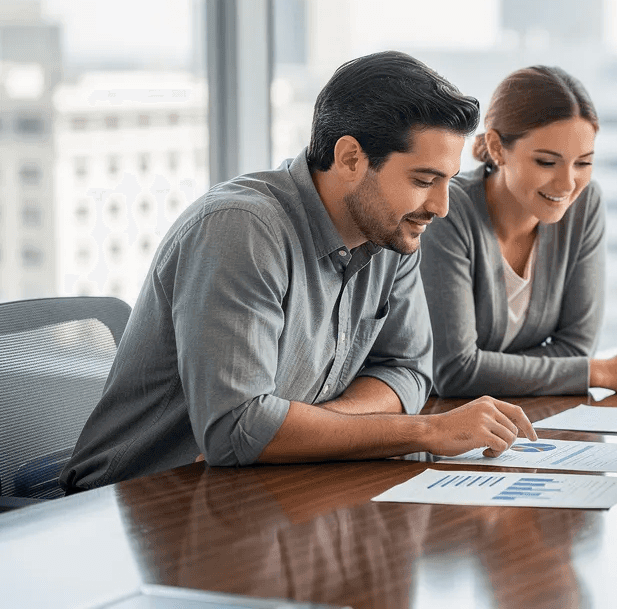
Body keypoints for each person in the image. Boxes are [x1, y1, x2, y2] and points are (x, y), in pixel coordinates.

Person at [63, 51, 537, 490]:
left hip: (254, 488)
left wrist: (301, 426)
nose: (440, 206)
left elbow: (408, 372)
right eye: (422, 180)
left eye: (448, 181)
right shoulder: (241, 230)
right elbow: (238, 429)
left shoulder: (393, 232)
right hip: (133, 503)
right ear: (350, 158)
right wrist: (427, 431)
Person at [419, 65, 617, 397]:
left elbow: (576, 348)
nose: (567, 184)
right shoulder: (450, 212)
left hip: (520, 421)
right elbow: (455, 371)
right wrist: (600, 372)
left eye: (583, 163)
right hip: (439, 423)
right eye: (547, 162)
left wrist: (492, 369)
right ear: (496, 147)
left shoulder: (584, 206)